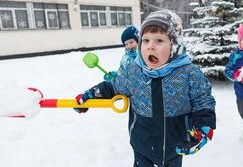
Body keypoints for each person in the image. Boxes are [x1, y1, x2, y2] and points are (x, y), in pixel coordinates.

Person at [75, 9, 216, 166]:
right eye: (146, 40)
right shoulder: (134, 73)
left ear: (174, 45)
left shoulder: (188, 73)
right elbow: (112, 87)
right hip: (142, 146)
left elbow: (203, 100)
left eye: (159, 41)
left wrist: (204, 127)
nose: (150, 47)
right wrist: (89, 96)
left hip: (175, 146)